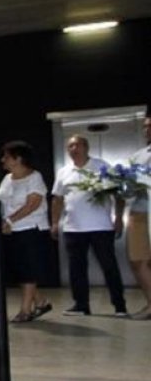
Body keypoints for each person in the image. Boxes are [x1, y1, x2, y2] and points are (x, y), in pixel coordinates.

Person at [50, 135, 128, 317]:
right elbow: (57, 199)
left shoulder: (102, 166)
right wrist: (54, 222)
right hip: (73, 228)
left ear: (86, 147)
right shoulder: (63, 172)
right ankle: (81, 305)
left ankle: (120, 306)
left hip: (101, 227)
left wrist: (118, 219)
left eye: (77, 145)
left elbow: (119, 195)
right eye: (70, 146)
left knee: (109, 266)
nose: (73, 149)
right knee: (76, 269)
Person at [0, 141, 53, 323]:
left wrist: (10, 220)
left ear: (18, 159)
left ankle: (25, 310)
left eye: (6, 156)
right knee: (20, 270)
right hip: (12, 230)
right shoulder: (7, 178)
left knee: (28, 269)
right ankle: (41, 301)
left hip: (31, 229)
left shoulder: (34, 177)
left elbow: (33, 203)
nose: (2, 160)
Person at [127, 115, 151, 320]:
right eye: (145, 127)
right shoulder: (138, 156)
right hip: (140, 211)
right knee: (137, 259)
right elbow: (128, 190)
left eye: (150, 127)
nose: (147, 131)